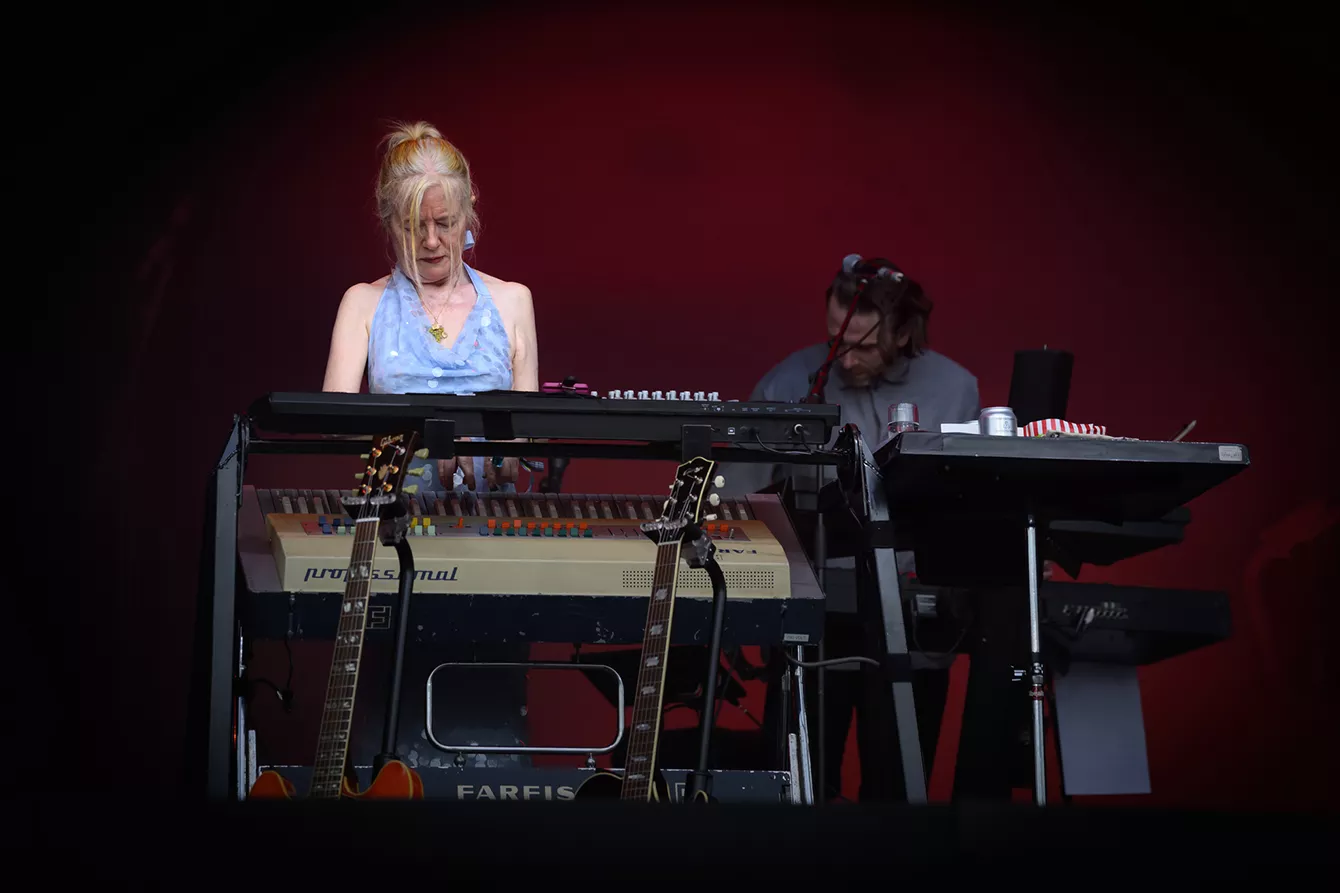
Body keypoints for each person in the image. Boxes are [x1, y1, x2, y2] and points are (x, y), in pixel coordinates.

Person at [319, 120, 540, 780]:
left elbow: (528, 444)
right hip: (394, 543)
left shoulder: (512, 301)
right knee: (394, 719)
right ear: (392, 225)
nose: (434, 241)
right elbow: (333, 426)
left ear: (469, 214)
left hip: (494, 546)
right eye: (417, 227)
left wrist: (488, 453)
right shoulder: (363, 305)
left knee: (490, 722)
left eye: (446, 223)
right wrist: (420, 444)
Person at [722, 255, 979, 802]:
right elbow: (734, 495)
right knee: (802, 786)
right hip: (815, 610)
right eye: (837, 342)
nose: (846, 359)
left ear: (904, 333)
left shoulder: (956, 388)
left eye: (863, 346)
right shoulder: (791, 380)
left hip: (914, 614)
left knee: (897, 785)